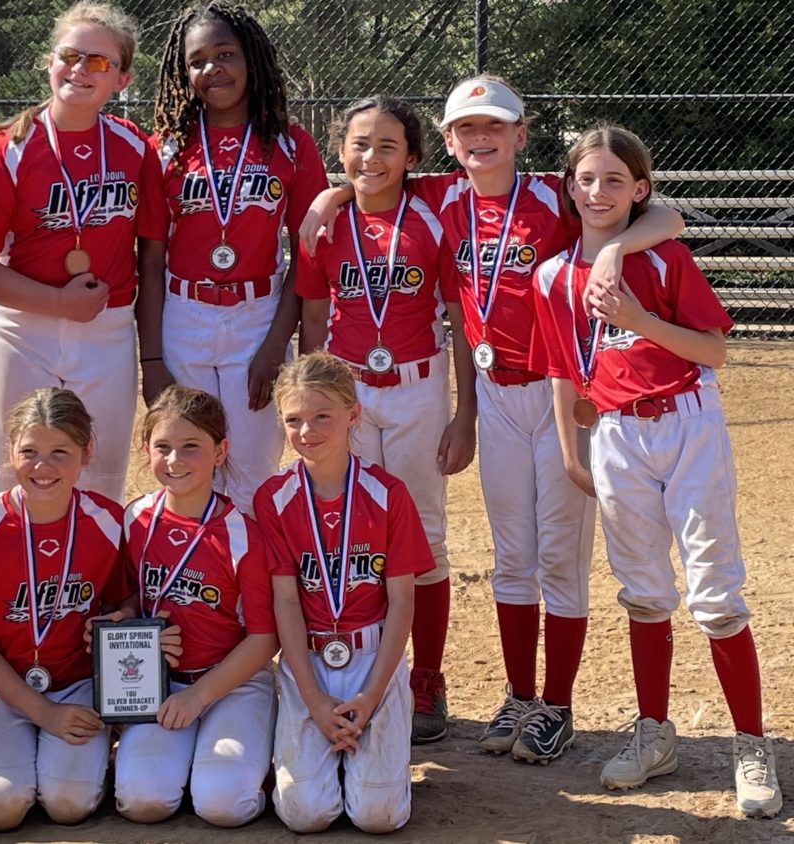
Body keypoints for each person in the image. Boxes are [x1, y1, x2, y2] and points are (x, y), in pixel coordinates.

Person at [302, 74, 686, 763]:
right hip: (496, 393)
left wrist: (613, 248)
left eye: (495, 127)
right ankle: (518, 695)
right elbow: (366, 181)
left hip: (561, 391)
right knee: (512, 557)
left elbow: (666, 218)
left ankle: (557, 704)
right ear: (448, 143)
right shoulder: (439, 196)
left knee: (558, 555)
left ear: (519, 134)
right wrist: (326, 197)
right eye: (466, 129)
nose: (480, 138)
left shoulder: (555, 195)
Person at [531, 123, 783, 818]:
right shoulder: (552, 276)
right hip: (616, 433)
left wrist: (637, 319)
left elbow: (714, 351)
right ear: (569, 187)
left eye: (614, 180)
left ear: (639, 189)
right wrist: (571, 451)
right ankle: (654, 734)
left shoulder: (665, 257)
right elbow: (561, 370)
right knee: (644, 590)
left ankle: (751, 745)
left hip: (687, 422)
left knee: (716, 593)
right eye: (586, 179)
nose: (598, 191)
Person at [297, 95, 475, 744]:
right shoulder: (323, 222)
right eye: (360, 144)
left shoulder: (431, 215)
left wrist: (465, 412)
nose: (371, 157)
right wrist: (311, 402)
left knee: (423, 536)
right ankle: (366, 671)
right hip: (347, 392)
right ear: (340, 150)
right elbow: (313, 316)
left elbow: (459, 319)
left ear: (413, 158)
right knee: (353, 535)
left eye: (388, 146)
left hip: (416, 390)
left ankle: (426, 677)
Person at [0, 1, 164, 504]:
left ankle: (91, 559)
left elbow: (152, 254)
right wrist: (58, 303)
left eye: (98, 61)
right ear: (49, 62)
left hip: (106, 328)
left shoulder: (134, 147)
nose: (80, 69)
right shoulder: (4, 152)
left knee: (101, 470)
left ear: (122, 79)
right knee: (15, 469)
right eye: (69, 55)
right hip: (20, 328)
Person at [139, 1, 328, 513]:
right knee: (189, 466)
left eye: (225, 54)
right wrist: (152, 360)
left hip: (257, 316)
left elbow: (307, 257)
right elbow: (150, 262)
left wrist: (275, 346)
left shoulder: (290, 144)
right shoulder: (166, 148)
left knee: (253, 470)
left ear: (252, 60)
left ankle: (251, 568)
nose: (212, 69)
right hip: (184, 317)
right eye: (197, 61)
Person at [253, 351, 433, 832]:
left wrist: (371, 695)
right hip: (307, 661)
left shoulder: (387, 493)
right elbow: (286, 601)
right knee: (305, 815)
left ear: (353, 414)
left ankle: (372, 760)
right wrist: (313, 699)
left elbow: (402, 602)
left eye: (322, 416)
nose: (306, 431)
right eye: (293, 419)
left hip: (373, 660)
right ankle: (318, 756)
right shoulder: (273, 498)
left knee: (378, 817)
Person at [0, 387, 131, 830]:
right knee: (0, 808)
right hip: (0, 686)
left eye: (60, 452)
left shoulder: (109, 522)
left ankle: (86, 751)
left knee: (69, 806)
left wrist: (121, 617)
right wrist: (43, 713)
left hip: (78, 685)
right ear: (10, 451)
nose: (43, 466)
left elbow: (124, 599)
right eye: (29, 451)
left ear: (86, 453)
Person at [110, 385, 278, 826]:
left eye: (191, 447)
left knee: (224, 805)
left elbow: (264, 639)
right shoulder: (135, 518)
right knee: (142, 802)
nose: (175, 460)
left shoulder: (242, 533)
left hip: (233, 683)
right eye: (162, 446)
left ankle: (253, 769)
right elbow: (131, 594)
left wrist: (200, 696)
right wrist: (126, 617)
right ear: (145, 449)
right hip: (160, 685)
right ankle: (188, 766)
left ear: (220, 452)